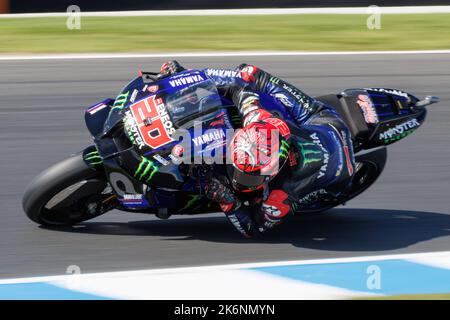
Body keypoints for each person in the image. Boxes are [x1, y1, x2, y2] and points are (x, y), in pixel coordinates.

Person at [159, 60, 356, 238]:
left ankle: (331, 190)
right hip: (313, 126)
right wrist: (184, 79)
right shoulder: (256, 118)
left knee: (280, 205)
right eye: (237, 169)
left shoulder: (281, 194)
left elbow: (253, 228)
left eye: (248, 177)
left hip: (335, 149)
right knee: (248, 72)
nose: (237, 178)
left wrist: (228, 202)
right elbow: (238, 85)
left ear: (272, 173)